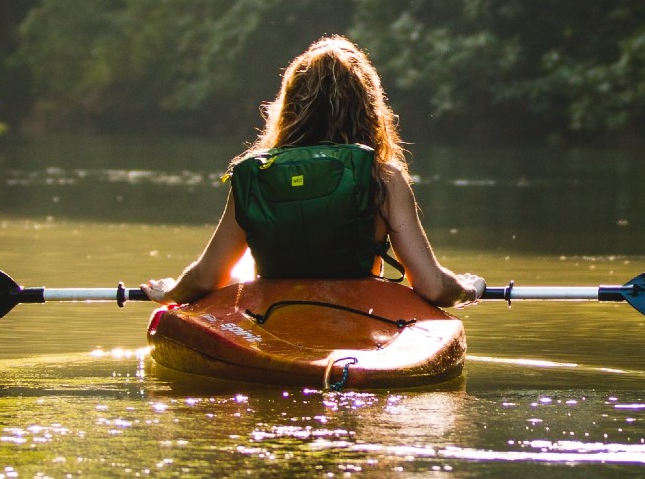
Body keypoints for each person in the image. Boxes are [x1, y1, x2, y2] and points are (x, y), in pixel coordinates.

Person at [143, 36, 483, 307]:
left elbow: (206, 278)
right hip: (359, 316)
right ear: (368, 108)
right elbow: (433, 288)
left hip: (273, 318)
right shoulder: (384, 179)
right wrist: (467, 288)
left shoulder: (256, 176)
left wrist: (172, 292)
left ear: (290, 106)